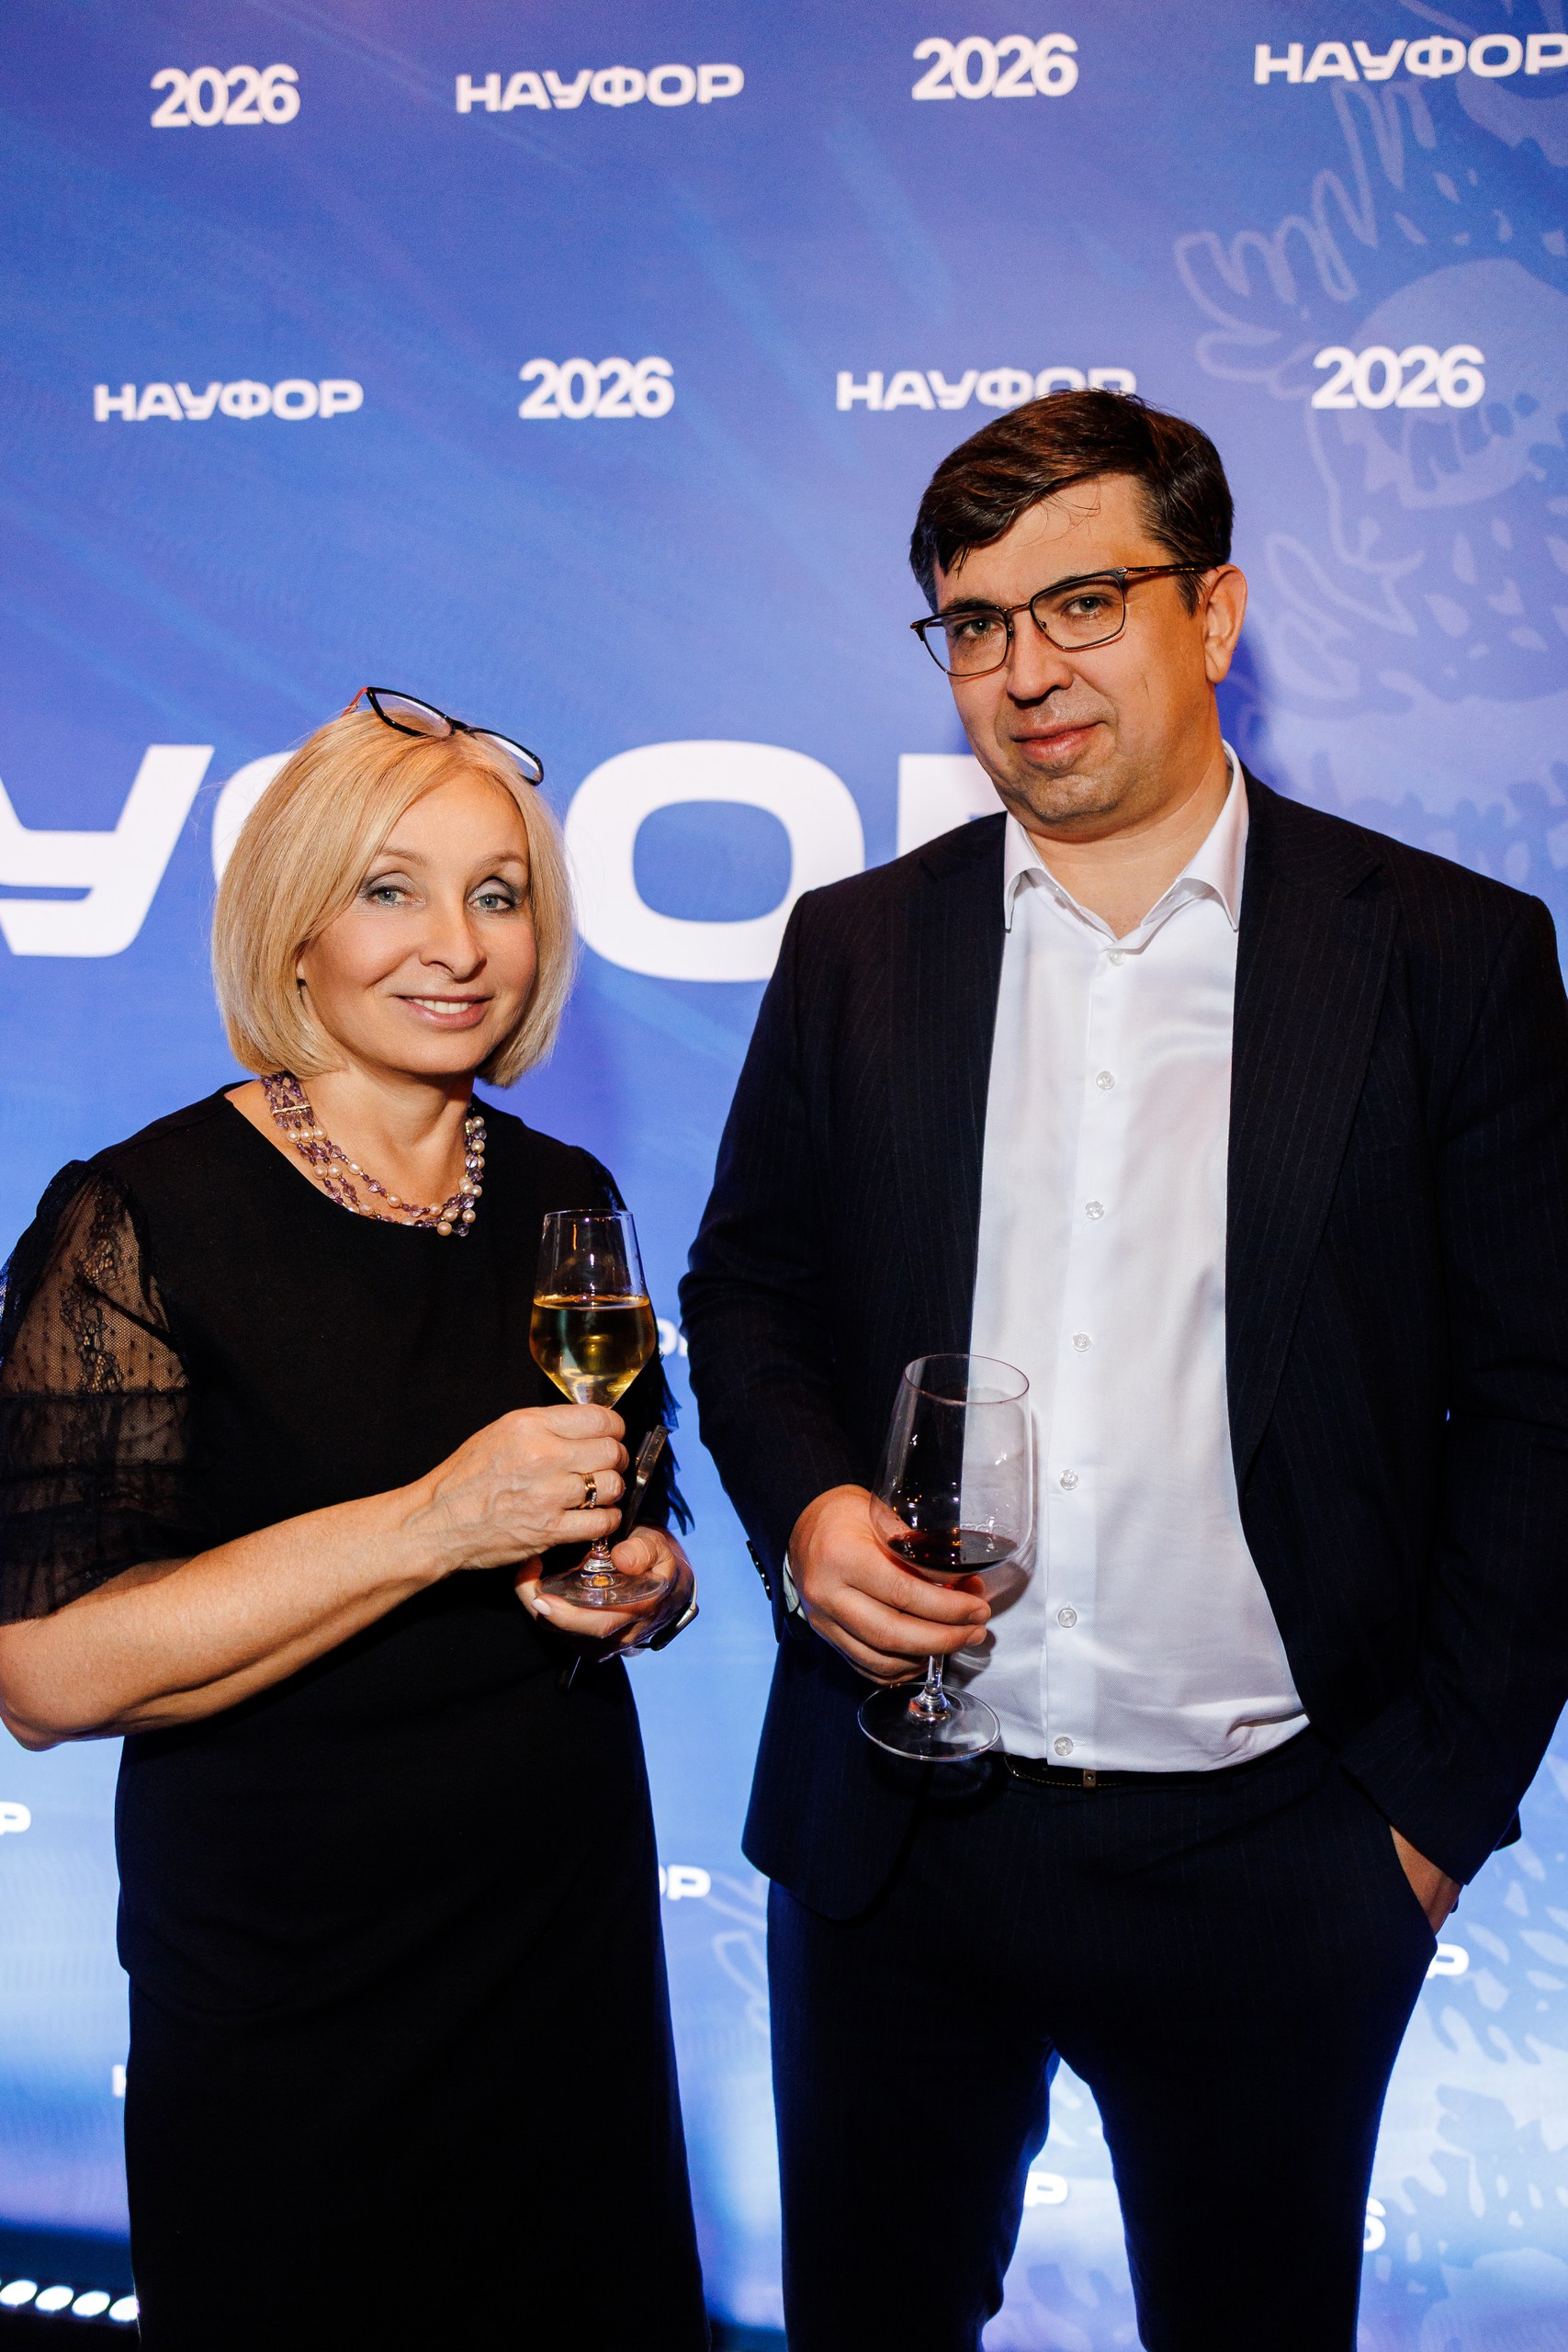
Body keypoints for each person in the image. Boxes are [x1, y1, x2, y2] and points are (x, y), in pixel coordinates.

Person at [681, 391, 1568, 2351]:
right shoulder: (854, 947)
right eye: (974, 623)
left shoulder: (1444, 952)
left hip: (1277, 1851)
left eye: (1080, 601)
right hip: (896, 1834)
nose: (1024, 670)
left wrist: (1423, 1822)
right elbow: (746, 1289)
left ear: (1214, 611)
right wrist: (811, 1511)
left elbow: (1540, 1402)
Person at [0, 693, 708, 2350]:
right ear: (296, 929)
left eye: (497, 894)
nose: (457, 946)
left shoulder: (566, 1197)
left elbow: (628, 1520)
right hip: (289, 1991)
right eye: (392, 889)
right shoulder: (140, 1214)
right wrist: (434, 1522)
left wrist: (648, 1583)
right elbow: (44, 1676)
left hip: (558, 1952)